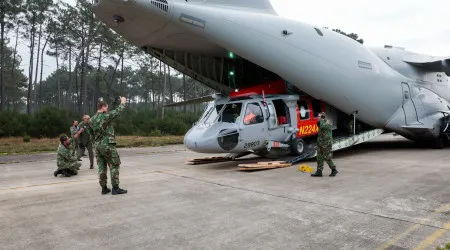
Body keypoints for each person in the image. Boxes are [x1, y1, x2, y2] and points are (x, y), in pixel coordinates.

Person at [88, 97, 127, 195]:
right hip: (107, 145)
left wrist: (96, 142)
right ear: (103, 107)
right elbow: (118, 111)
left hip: (97, 146)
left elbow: (90, 133)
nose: (107, 109)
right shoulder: (105, 116)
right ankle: (115, 188)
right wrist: (122, 102)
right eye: (107, 108)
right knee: (114, 165)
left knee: (101, 167)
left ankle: (104, 188)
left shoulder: (91, 120)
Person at [311, 112, 338, 177]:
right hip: (321, 143)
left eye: (319, 116)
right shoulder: (321, 122)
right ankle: (319, 171)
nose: (318, 117)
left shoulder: (327, 122)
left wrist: (321, 120)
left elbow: (323, 126)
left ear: (323, 117)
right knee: (319, 157)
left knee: (327, 157)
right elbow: (318, 125)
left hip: (326, 144)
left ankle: (334, 169)